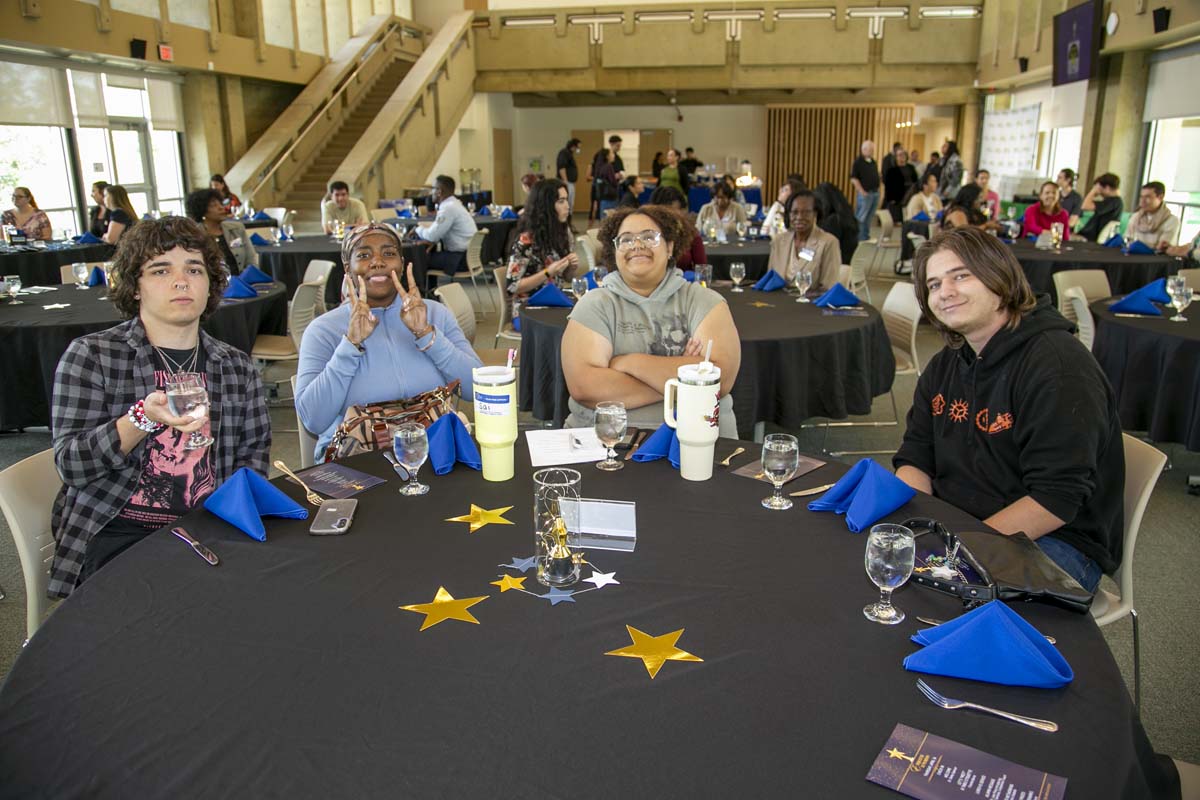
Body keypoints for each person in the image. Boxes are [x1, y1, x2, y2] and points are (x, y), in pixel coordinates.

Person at [47, 216, 271, 598]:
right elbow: (72, 465)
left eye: (194, 269)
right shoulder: (93, 356)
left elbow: (253, 459)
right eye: (160, 269)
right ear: (135, 287)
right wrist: (143, 419)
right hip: (120, 529)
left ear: (210, 284)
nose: (181, 281)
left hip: (209, 526)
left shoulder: (234, 365)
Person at [894, 227, 1124, 592]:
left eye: (961, 276)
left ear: (998, 277)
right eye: (934, 285)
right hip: (962, 520)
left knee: (934, 606)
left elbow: (1055, 500)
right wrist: (921, 525)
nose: (945, 293)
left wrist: (955, 550)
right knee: (877, 563)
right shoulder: (945, 364)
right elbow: (916, 455)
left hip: (1054, 541)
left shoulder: (1059, 368)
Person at [296, 223, 481, 461]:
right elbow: (313, 419)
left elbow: (476, 389)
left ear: (402, 264)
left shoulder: (435, 314)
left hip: (436, 451)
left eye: (388, 253)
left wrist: (427, 335)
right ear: (347, 268)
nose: (377, 262)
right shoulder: (323, 330)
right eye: (364, 255)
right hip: (359, 461)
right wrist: (350, 345)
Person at [560, 204, 740, 435]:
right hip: (608, 443)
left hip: (697, 439)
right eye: (625, 239)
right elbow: (585, 387)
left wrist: (629, 363)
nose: (637, 245)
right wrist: (688, 380)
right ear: (615, 251)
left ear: (670, 247)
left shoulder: (705, 301)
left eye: (649, 237)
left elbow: (719, 380)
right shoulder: (594, 304)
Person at [506, 179, 580, 322]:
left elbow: (566, 278)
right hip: (528, 309)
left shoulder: (562, 233)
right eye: (561, 201)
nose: (568, 206)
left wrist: (571, 267)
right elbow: (513, 287)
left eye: (566, 200)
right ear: (546, 206)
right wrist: (547, 272)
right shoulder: (526, 240)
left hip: (554, 303)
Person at [768, 189, 841, 293]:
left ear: (815, 214)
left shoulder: (828, 243)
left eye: (806, 212)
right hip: (779, 304)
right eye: (794, 212)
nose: (799, 217)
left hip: (811, 306)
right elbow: (770, 281)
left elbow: (829, 288)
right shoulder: (779, 241)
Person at [413, 175, 478, 277]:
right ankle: (430, 291)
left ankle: (422, 292)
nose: (431, 193)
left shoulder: (448, 209)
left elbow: (432, 236)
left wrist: (418, 229)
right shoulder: (455, 204)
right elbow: (438, 233)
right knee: (425, 256)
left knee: (417, 259)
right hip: (467, 257)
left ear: (439, 192)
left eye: (433, 189)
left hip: (459, 260)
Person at [648, 185, 705, 270]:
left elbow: (702, 268)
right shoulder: (646, 234)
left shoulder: (690, 232)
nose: (671, 216)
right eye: (666, 212)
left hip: (683, 281)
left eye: (676, 211)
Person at [185, 188, 240, 274]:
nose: (221, 208)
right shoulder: (194, 235)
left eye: (221, 204)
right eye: (214, 205)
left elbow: (251, 259)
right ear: (202, 211)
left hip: (243, 282)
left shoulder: (237, 228)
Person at [1125, 181, 1179, 250]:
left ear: (1160, 197)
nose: (1142, 201)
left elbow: (1162, 248)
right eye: (1141, 197)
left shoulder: (1171, 221)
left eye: (1148, 197)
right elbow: (1127, 239)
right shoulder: (1135, 216)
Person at [1077, 173, 1123, 242]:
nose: (1099, 193)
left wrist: (1093, 191)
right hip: (1088, 236)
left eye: (1100, 189)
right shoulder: (1113, 202)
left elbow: (1085, 206)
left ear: (1107, 188)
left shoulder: (1114, 201)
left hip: (1091, 238)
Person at [850, 140, 881, 241]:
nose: (872, 151)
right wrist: (862, 191)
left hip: (875, 192)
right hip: (865, 193)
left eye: (873, 149)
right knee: (862, 217)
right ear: (864, 149)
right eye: (870, 149)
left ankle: (865, 236)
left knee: (869, 217)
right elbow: (854, 178)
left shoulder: (873, 162)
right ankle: (858, 237)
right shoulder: (858, 162)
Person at [883, 150, 918, 223]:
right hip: (897, 194)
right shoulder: (892, 170)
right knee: (897, 220)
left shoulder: (911, 167)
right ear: (896, 158)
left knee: (909, 217)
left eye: (903, 155)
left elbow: (915, 180)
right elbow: (888, 185)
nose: (902, 157)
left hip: (910, 193)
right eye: (899, 155)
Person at [556, 137, 581, 212]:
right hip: (567, 182)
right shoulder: (564, 153)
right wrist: (565, 181)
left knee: (570, 203)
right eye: (578, 148)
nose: (578, 150)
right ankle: (566, 220)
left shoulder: (569, 154)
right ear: (573, 146)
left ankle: (568, 220)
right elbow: (562, 167)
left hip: (570, 183)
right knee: (567, 203)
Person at [593, 150, 621, 217]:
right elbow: (613, 182)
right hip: (611, 197)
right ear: (607, 156)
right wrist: (617, 177)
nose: (613, 155)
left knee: (604, 218)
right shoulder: (609, 166)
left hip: (603, 198)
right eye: (612, 154)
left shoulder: (599, 167)